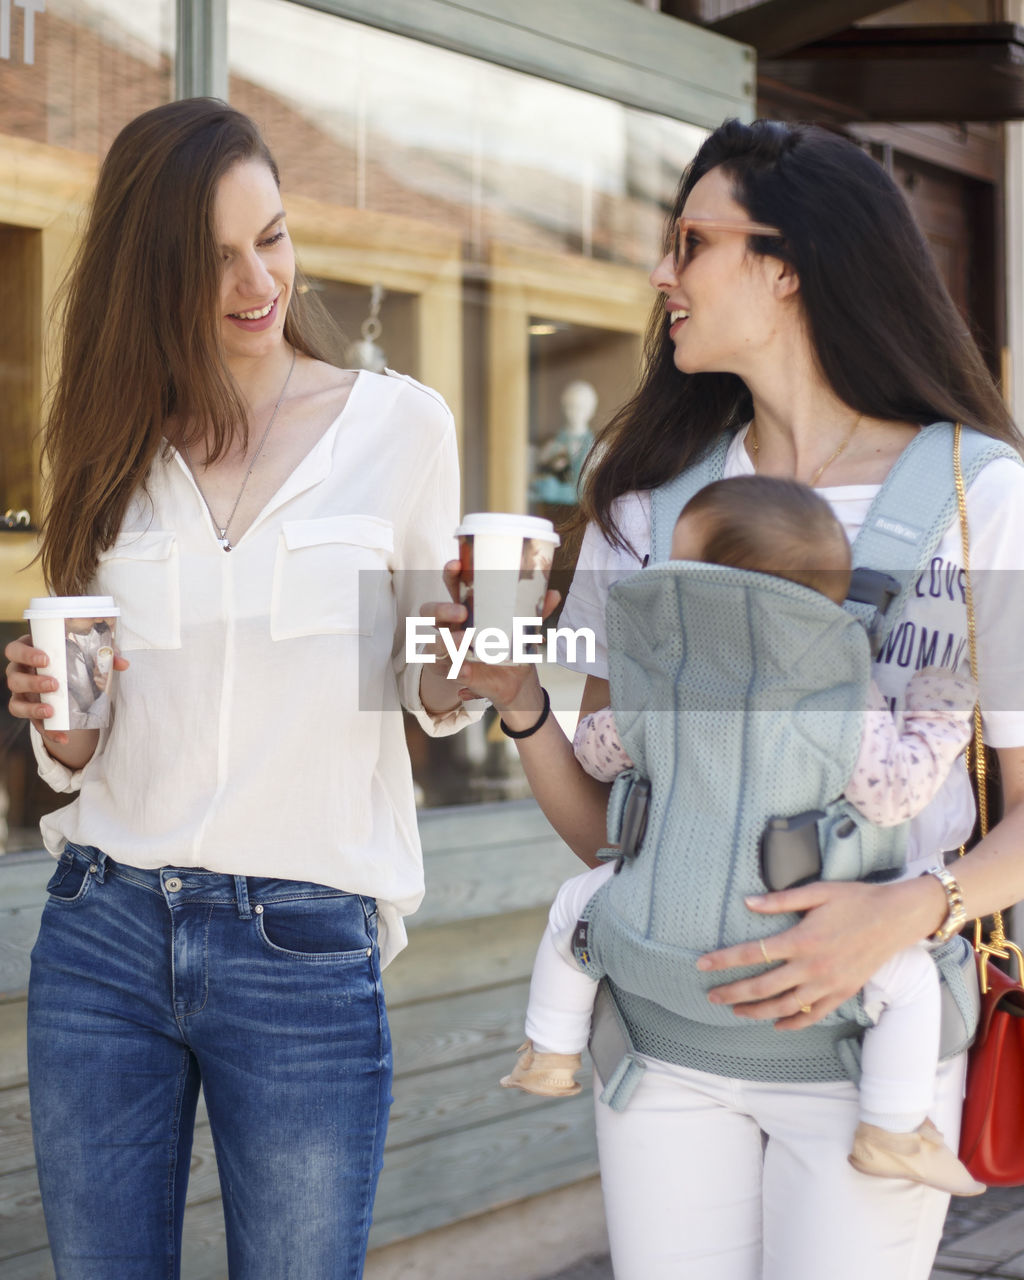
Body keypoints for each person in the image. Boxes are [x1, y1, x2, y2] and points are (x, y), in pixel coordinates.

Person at [451, 118, 1024, 1279]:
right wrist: (520, 703)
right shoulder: (639, 511)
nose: (662, 273)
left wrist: (906, 909)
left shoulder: (984, 502)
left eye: (690, 242)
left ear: (788, 264)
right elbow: (613, 827)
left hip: (874, 1056)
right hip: (663, 1044)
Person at [3, 98, 475, 1280]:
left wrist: (468, 653)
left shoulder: (401, 429)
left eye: (269, 235)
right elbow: (86, 740)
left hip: (302, 940)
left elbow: (435, 695)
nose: (255, 279)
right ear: (145, 272)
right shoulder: (108, 447)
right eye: (210, 257)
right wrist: (60, 724)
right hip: (102, 924)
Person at [500, 475, 983, 1197]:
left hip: (661, 920)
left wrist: (610, 725)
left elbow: (597, 752)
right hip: (793, 935)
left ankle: (550, 1048)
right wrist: (939, 715)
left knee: (575, 906)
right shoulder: (838, 695)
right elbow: (894, 795)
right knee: (914, 985)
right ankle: (891, 1126)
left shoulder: (670, 688)